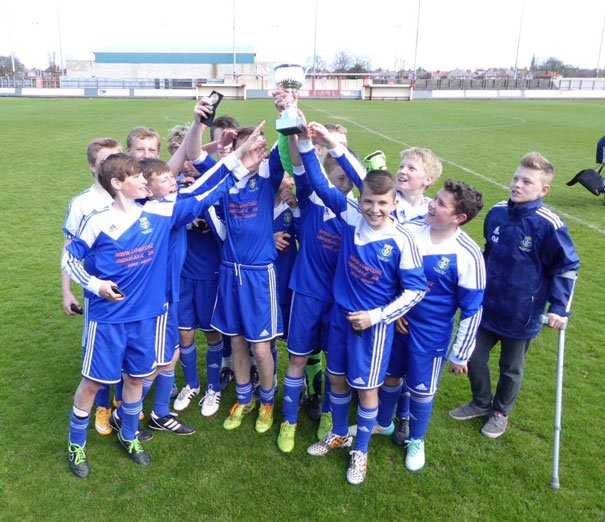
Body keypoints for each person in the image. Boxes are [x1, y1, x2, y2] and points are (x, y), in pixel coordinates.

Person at [62, 126, 265, 478]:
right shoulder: (97, 222)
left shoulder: (158, 214)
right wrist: (96, 285)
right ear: (117, 184)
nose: (144, 182)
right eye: (136, 178)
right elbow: (69, 260)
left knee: (137, 380)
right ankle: (76, 442)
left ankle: (129, 435)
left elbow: (205, 190)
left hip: (148, 317)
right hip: (108, 320)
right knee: (93, 382)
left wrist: (239, 158)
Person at [296, 122, 428, 485]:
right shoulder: (352, 216)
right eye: (368, 201)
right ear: (360, 199)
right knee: (337, 380)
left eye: (382, 203)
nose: (373, 209)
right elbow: (322, 186)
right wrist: (310, 146)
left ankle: (361, 451)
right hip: (340, 318)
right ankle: (339, 433)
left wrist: (377, 315)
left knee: (366, 388)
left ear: (394, 203)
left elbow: (415, 291)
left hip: (372, 327)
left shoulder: (402, 241)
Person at [449, 152, 580, 439]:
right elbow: (487, 252)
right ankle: (481, 402)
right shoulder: (496, 213)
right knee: (473, 355)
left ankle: (500, 412)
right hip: (487, 308)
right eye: (516, 178)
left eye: (527, 181)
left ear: (543, 190)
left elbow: (567, 266)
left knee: (510, 369)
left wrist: (559, 308)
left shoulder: (549, 224)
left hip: (522, 314)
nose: (517, 185)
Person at [369, 179, 485, 472]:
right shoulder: (410, 229)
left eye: (442, 204)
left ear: (459, 218)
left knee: (421, 389)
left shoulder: (468, 255)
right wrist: (395, 311)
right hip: (397, 324)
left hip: (431, 333)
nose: (432, 204)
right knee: (391, 377)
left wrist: (460, 354)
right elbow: (390, 275)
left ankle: (417, 440)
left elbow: (472, 310)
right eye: (436, 198)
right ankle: (383, 423)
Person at [277, 123, 366, 454]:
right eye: (337, 178)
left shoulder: (361, 212)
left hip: (341, 302)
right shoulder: (313, 196)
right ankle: (289, 420)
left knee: (335, 365)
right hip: (307, 292)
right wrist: (295, 134)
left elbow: (365, 183)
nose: (343, 184)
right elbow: (303, 168)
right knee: (297, 358)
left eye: (348, 179)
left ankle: (329, 417)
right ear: (328, 174)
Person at [211, 125, 286, 435]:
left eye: (258, 146)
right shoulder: (225, 176)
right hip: (230, 271)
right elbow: (193, 157)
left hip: (258, 275)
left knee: (261, 347)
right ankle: (244, 399)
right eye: (246, 147)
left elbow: (287, 142)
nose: (253, 152)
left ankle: (267, 401)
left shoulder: (268, 176)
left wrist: (287, 110)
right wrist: (219, 144)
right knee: (238, 341)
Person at [61, 137, 121, 437]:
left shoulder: (128, 194)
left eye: (116, 157)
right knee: (98, 354)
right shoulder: (82, 203)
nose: (112, 165)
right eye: (104, 161)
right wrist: (67, 291)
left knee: (127, 353)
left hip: (132, 290)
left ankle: (122, 406)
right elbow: (69, 249)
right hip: (97, 292)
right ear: (91, 166)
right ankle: (102, 406)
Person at [389, 147, 443, 445]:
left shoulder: (432, 214)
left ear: (429, 179)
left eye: (412, 168)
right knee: (388, 364)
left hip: (413, 303)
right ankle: (379, 410)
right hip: (384, 298)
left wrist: (406, 306)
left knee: (412, 363)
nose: (403, 171)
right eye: (402, 165)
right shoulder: (386, 202)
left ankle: (405, 416)